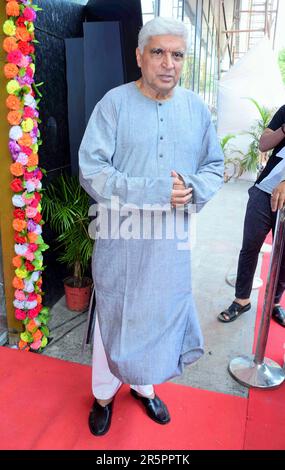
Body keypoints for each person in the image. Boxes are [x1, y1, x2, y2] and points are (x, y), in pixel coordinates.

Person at [79, 17, 224, 437]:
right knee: (116, 314)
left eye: (177, 55)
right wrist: (156, 191)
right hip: (121, 237)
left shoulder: (196, 109)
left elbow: (213, 166)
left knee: (160, 312)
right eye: (158, 52)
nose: (168, 63)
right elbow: (92, 170)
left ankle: (144, 386)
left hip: (170, 242)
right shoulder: (114, 104)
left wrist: (191, 189)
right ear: (139, 56)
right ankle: (103, 394)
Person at [218, 104, 285, 325]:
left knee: (284, 256)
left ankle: (273, 302)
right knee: (250, 246)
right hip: (263, 191)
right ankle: (242, 299)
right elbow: (263, 144)